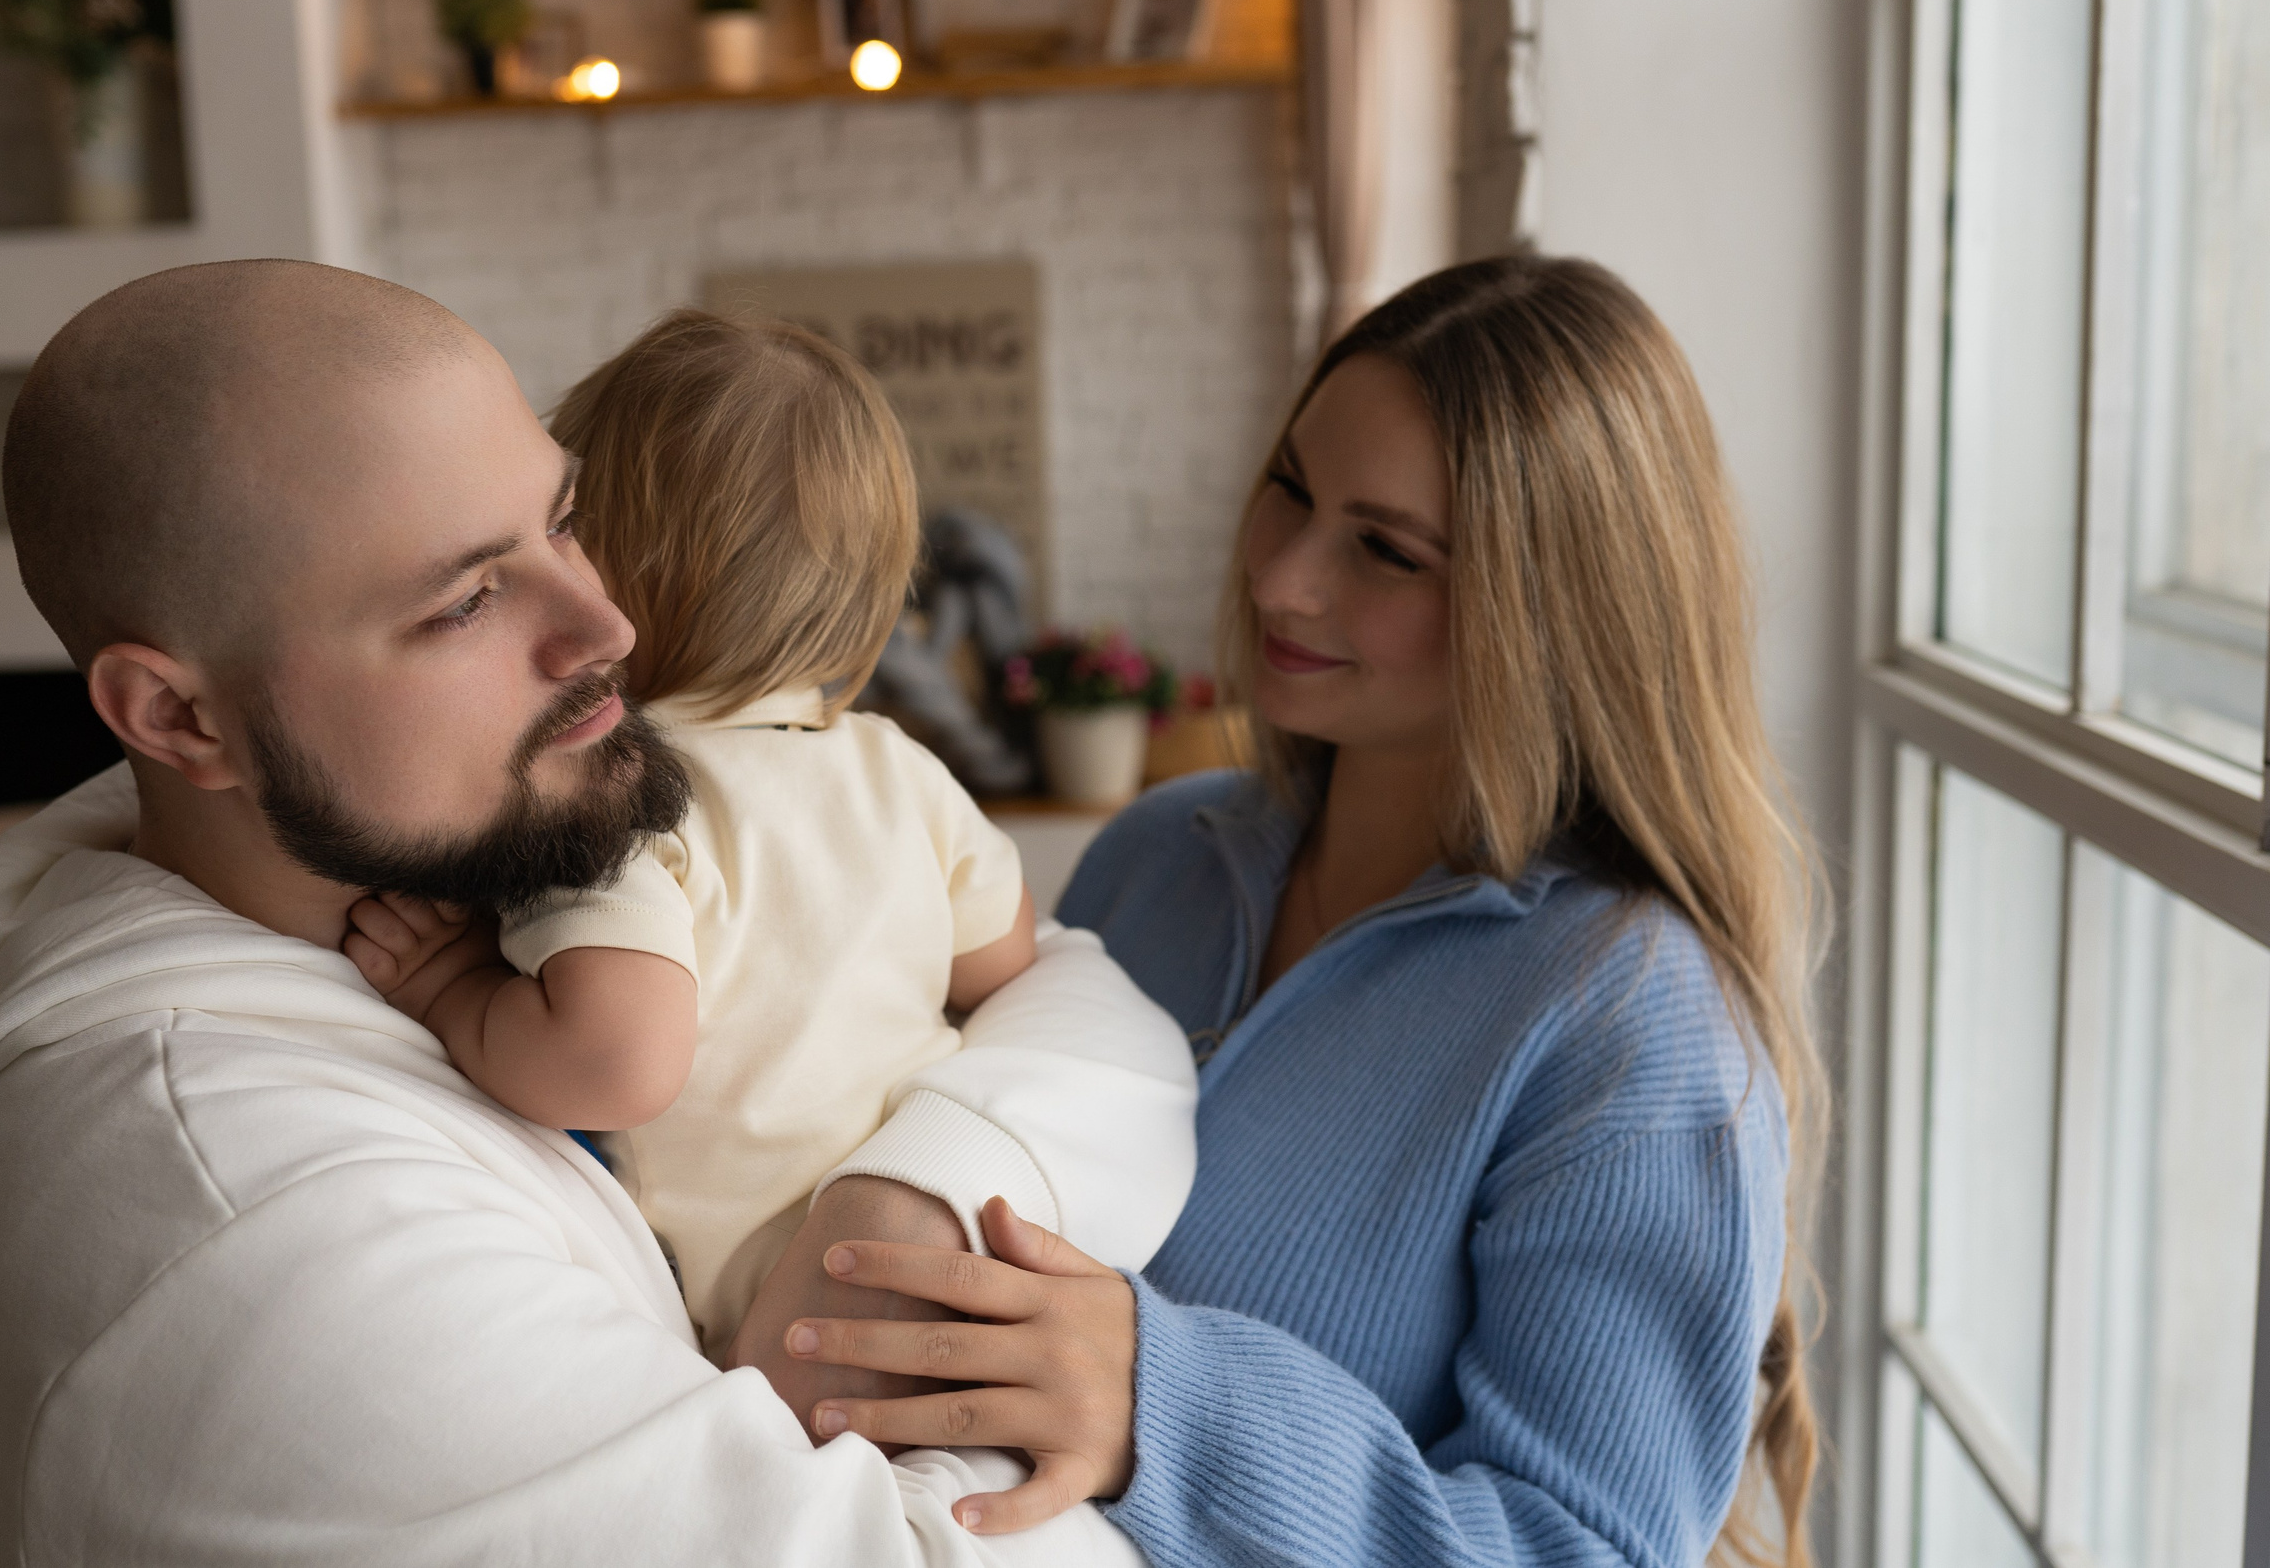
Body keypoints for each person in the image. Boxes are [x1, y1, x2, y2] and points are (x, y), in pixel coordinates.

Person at [0, 260, 1193, 1564]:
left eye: (566, 519)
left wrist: (914, 1200)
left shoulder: (420, 869)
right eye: (468, 599)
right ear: (180, 718)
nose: (607, 625)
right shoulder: (261, 1226)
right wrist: (1102, 1391)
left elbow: (1051, 971)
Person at [778, 256, 1825, 1566]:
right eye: (1290, 487)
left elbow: (1585, 1548)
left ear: (1556, 606)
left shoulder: (1634, 1025)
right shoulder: (1160, 852)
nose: (1282, 580)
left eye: (1384, 549)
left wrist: (1168, 1407)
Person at [347, 310, 1097, 1426]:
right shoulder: (898, 767)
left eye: (565, 530)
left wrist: (449, 987)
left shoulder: (610, 788)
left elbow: (613, 1059)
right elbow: (1003, 962)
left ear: (613, 570)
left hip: (782, 1318)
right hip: (953, 1256)